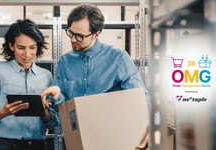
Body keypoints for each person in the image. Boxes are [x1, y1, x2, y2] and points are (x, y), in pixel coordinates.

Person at [43, 3, 150, 150]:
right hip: (78, 141)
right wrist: (57, 95)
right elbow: (61, 110)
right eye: (71, 33)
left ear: (97, 33)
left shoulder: (118, 58)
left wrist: (152, 126)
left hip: (112, 139)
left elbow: (139, 98)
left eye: (79, 36)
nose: (73, 39)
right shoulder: (64, 62)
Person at [0, 19, 61, 150]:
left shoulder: (46, 76)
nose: (27, 54)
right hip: (6, 145)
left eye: (32, 47)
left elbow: (53, 123)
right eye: (21, 48)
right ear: (11, 46)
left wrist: (43, 110)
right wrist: (3, 112)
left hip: (37, 145)